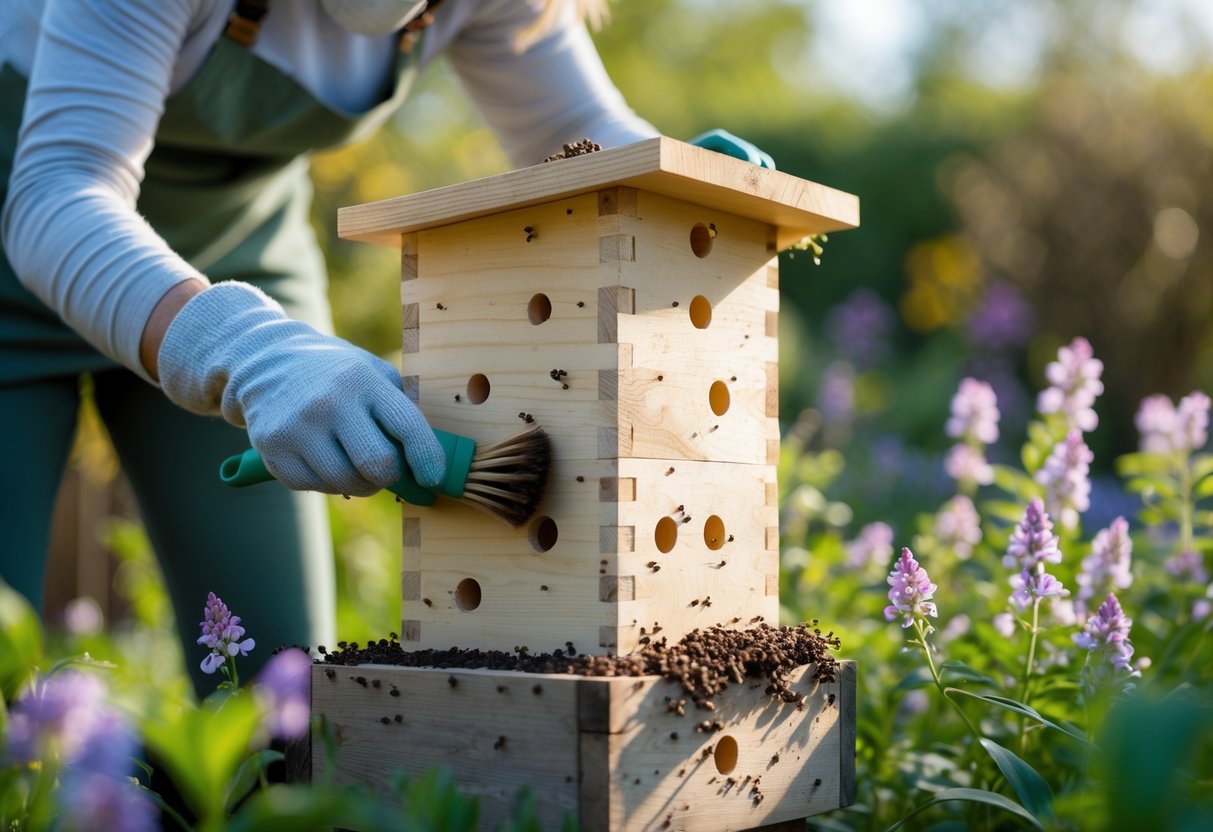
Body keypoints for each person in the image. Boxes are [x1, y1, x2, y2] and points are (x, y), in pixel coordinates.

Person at [0, 0, 770, 692]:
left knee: (278, 700)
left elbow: (567, 131)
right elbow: (59, 190)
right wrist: (249, 350)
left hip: (235, 250)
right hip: (30, 245)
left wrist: (670, 180)